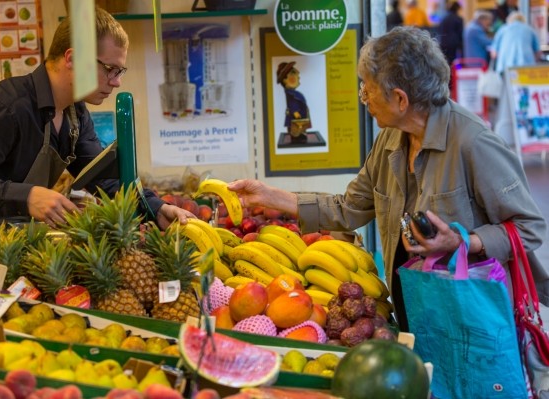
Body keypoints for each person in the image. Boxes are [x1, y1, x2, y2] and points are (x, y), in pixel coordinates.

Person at [228, 26, 548, 332]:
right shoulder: (391, 139)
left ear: (400, 99)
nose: (362, 96)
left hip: (471, 316)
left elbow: (528, 227)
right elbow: (350, 207)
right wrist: (271, 196)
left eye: (367, 87)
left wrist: (464, 242)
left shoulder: (473, 142)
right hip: (415, 306)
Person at [0, 7, 195, 311]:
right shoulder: (4, 107)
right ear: (72, 58)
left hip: (13, 258)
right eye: (110, 69)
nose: (116, 81)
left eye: (120, 72)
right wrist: (26, 197)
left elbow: (102, 176)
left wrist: (156, 207)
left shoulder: (75, 114)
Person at [490, 11, 541, 145]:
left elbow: (494, 53)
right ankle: (524, 128)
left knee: (507, 99)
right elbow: (538, 52)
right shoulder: (529, 29)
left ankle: (506, 129)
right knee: (524, 98)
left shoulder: (503, 29)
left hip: (506, 68)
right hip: (525, 68)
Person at [277, 61, 311, 143]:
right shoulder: (290, 94)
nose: (298, 76)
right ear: (285, 80)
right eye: (293, 74)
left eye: (296, 74)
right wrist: (295, 112)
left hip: (301, 116)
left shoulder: (292, 93)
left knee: (300, 128)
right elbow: (292, 103)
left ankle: (300, 135)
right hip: (297, 118)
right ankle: (297, 137)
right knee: (296, 128)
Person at [438, 1, 464, 69]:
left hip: (443, 42)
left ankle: (447, 78)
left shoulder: (443, 18)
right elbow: (460, 33)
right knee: (453, 63)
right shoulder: (458, 19)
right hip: (453, 44)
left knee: (445, 62)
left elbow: (439, 30)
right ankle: (452, 78)